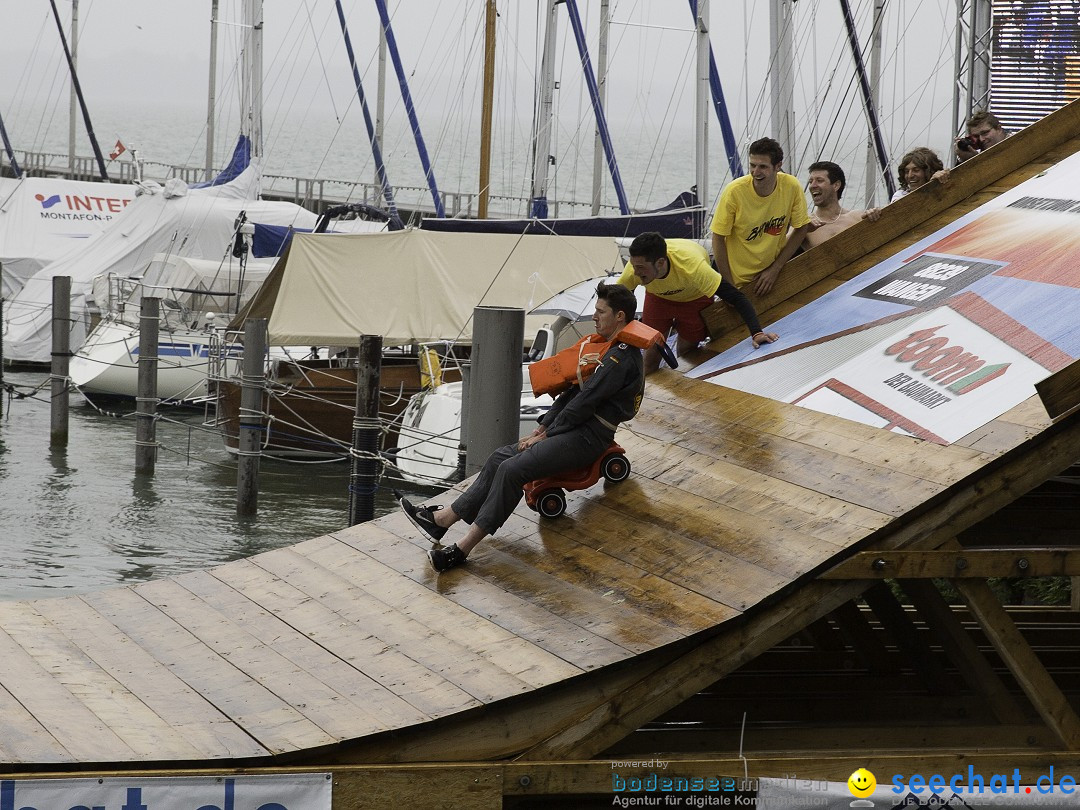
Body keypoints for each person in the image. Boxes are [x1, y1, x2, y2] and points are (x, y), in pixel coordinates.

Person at [401, 282, 645, 573]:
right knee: (499, 457)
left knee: (512, 470)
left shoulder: (621, 356)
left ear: (619, 317)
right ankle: (442, 520)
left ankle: (462, 550)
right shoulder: (605, 348)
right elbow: (572, 393)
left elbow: (586, 402)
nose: (594, 317)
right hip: (574, 428)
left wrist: (547, 435)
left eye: (600, 312)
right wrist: (541, 428)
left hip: (589, 436)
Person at [616, 232, 777, 373]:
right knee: (650, 357)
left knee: (687, 354)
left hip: (694, 298)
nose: (636, 272)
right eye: (634, 266)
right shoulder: (635, 269)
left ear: (660, 263)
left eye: (640, 268)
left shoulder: (693, 267)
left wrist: (757, 333)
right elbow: (614, 302)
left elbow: (737, 298)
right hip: (658, 298)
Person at [711, 137, 810, 297]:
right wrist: (729, 287)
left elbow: (802, 227)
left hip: (773, 277)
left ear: (778, 166)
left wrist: (775, 269)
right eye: (752, 165)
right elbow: (718, 237)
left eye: (763, 167)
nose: (756, 172)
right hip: (739, 282)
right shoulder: (734, 192)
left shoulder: (791, 186)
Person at [803, 161, 881, 250]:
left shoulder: (858, 217)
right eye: (810, 181)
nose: (812, 185)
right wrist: (800, 231)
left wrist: (877, 216)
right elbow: (783, 247)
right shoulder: (805, 224)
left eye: (819, 180)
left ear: (836, 185)